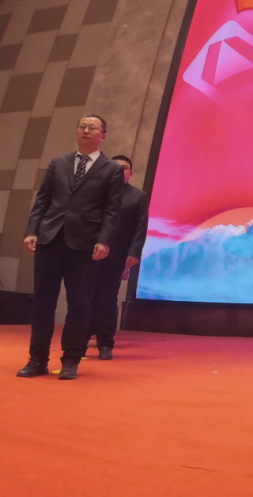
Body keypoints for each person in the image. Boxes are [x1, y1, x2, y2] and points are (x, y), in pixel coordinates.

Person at [17, 115, 125, 380]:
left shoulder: (112, 169)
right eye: (82, 126)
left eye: (92, 127)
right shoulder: (59, 162)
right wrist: (32, 231)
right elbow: (43, 200)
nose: (86, 130)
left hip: (85, 244)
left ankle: (71, 360)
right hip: (50, 239)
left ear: (102, 136)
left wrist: (104, 240)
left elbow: (112, 210)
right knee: (42, 302)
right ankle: (37, 359)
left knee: (79, 303)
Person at [88, 155, 149, 361]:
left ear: (130, 174)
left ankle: (105, 342)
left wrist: (133, 253)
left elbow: (140, 228)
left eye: (123, 167)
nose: (118, 170)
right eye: (114, 166)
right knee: (84, 296)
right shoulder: (94, 192)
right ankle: (81, 337)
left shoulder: (137, 196)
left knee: (107, 298)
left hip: (116, 254)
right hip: (88, 253)